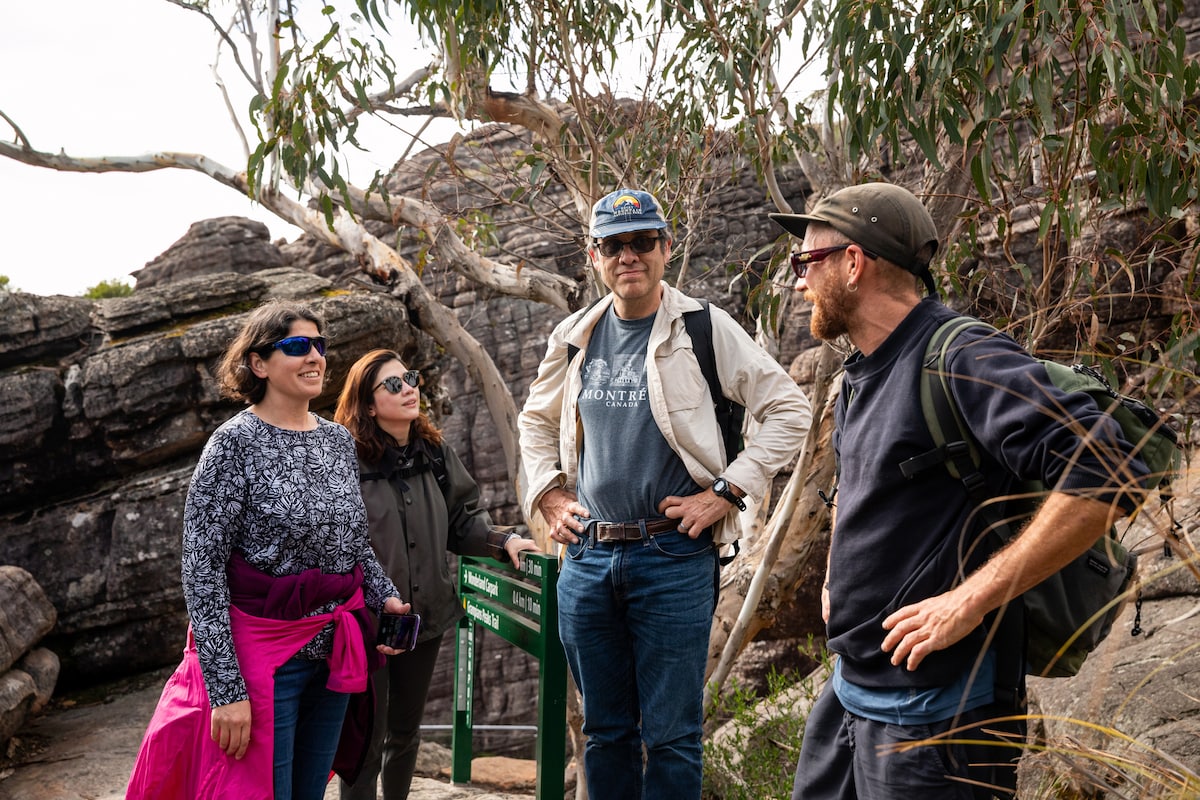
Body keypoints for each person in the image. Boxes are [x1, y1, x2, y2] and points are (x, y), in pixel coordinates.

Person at [770, 182, 1151, 800]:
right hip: (851, 696)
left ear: (853, 262)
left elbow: (1107, 468)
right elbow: (868, 483)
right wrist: (837, 573)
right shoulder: (862, 369)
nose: (797, 282)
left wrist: (969, 600)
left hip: (937, 723)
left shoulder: (959, 356)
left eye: (804, 264)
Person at [517, 187, 813, 799]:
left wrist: (727, 493)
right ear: (595, 255)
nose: (630, 255)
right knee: (605, 734)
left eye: (643, 241)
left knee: (673, 736)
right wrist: (547, 496)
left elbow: (789, 407)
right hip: (589, 558)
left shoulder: (704, 328)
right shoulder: (575, 335)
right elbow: (535, 421)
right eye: (615, 245)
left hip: (673, 558)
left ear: (665, 248)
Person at [127, 299, 411, 800]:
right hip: (262, 660)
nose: (315, 357)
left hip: (332, 657)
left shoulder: (336, 442)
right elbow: (202, 569)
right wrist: (226, 691)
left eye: (319, 346)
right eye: (297, 346)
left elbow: (353, 543)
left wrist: (382, 597)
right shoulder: (231, 444)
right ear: (258, 364)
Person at [333, 349, 541, 800]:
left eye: (409, 378)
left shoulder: (435, 453)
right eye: (392, 384)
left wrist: (502, 541)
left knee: (405, 734)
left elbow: (463, 522)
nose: (408, 388)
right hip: (364, 624)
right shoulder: (345, 460)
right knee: (365, 742)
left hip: (422, 618)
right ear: (368, 404)